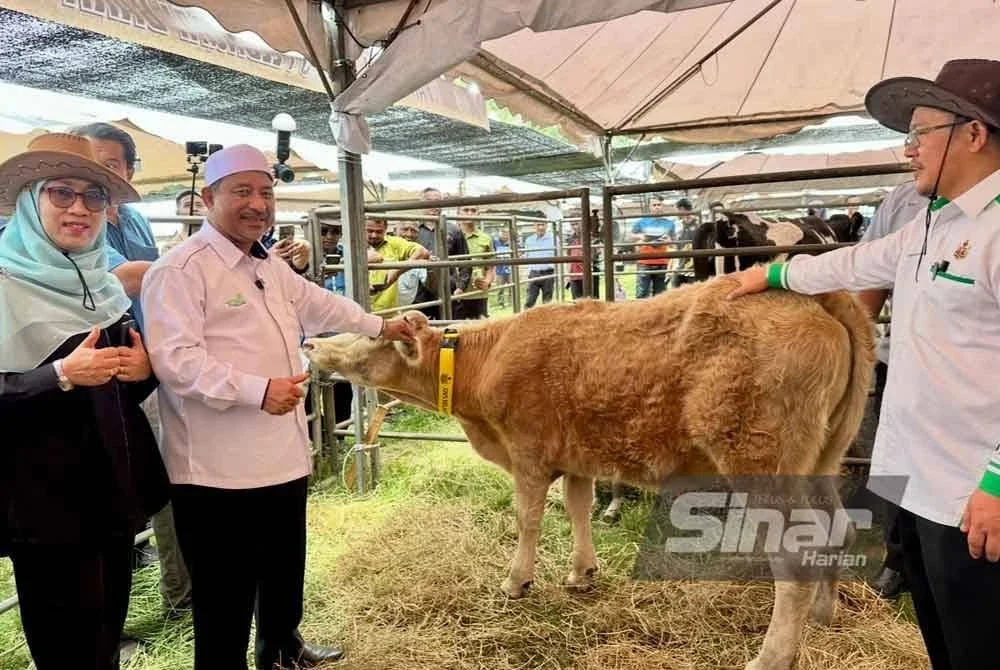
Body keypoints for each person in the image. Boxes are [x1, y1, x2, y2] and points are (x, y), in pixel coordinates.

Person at [727, 59, 1000, 669]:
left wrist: (997, 481)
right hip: (922, 481)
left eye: (921, 132)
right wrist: (769, 273)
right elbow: (853, 264)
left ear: (974, 134)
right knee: (944, 639)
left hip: (975, 495)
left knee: (981, 642)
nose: (910, 150)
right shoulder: (931, 222)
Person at [140, 144, 415, 670]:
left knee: (284, 566)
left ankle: (282, 647)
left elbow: (320, 304)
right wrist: (256, 390)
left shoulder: (267, 263)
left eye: (265, 192)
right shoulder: (180, 270)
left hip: (281, 455)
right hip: (217, 470)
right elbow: (175, 362)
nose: (257, 204)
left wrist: (381, 325)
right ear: (207, 198)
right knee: (225, 591)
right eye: (241, 191)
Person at [0, 133, 169, 670]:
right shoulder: (3, 287)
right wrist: (58, 376)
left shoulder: (103, 286)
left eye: (94, 196)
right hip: (44, 505)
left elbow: (117, 392)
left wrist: (144, 373)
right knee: (65, 644)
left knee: (106, 630)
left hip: (111, 494)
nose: (80, 209)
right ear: (30, 201)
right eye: (62, 193)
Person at [72, 122, 193, 622]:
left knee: (157, 478)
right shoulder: (77, 222)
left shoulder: (137, 220)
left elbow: (150, 276)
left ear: (128, 171)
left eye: (113, 163)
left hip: (145, 364)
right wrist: (205, 261)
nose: (101, 172)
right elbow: (128, 277)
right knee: (107, 488)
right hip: (90, 372)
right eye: (91, 161)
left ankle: (179, 593)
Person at [855, 181, 926, 601]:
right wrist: (858, 346)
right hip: (899, 360)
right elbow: (870, 272)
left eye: (921, 132)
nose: (909, 147)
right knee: (901, 461)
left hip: (973, 372)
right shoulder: (904, 199)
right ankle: (901, 560)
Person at [413, 187, 472, 319]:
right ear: (420, 203)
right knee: (420, 330)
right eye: (429, 201)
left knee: (449, 328)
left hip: (447, 288)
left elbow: (466, 261)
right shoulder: (412, 229)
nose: (434, 206)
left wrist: (461, 287)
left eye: (438, 201)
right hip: (419, 290)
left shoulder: (453, 229)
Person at [366, 217, 430, 313]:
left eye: (379, 232)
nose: (374, 235)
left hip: (388, 312)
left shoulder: (394, 243)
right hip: (358, 310)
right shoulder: (352, 244)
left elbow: (423, 252)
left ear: (386, 230)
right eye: (370, 231)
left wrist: (398, 271)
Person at [454, 205, 495, 319]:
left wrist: (487, 281)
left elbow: (491, 265)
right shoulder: (451, 237)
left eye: (473, 210)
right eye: (466, 210)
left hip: (478, 292)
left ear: (478, 214)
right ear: (458, 214)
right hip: (457, 293)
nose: (470, 213)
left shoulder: (486, 238)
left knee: (480, 328)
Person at [630, 197, 675, 298]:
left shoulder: (669, 223)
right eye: (654, 205)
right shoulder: (642, 221)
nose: (657, 207)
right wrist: (641, 236)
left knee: (660, 295)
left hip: (662, 262)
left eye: (659, 205)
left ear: (663, 206)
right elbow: (631, 235)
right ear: (650, 207)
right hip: (644, 262)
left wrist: (668, 240)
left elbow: (673, 241)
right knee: (642, 294)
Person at [523, 221, 556, 308]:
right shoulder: (529, 240)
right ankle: (526, 319)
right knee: (529, 300)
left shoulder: (554, 239)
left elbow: (558, 255)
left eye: (543, 224)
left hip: (548, 273)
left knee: (547, 301)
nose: (541, 227)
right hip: (534, 273)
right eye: (538, 225)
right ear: (534, 226)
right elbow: (526, 256)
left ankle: (547, 320)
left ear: (547, 225)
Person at [492, 228, 513, 308]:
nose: (505, 235)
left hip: (510, 269)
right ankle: (501, 303)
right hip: (499, 270)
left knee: (512, 287)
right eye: (503, 233)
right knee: (500, 288)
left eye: (506, 234)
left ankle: (511, 302)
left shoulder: (511, 243)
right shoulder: (495, 242)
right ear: (500, 234)